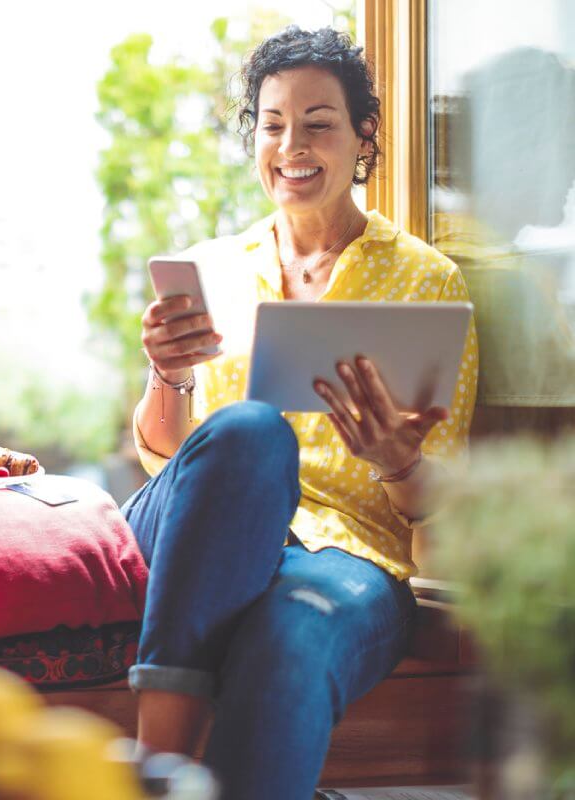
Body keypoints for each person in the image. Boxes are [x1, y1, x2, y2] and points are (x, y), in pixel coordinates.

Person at [120, 25, 478, 800]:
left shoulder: (427, 282)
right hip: (202, 535)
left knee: (293, 639)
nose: (292, 145)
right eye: (274, 124)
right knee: (249, 431)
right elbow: (161, 457)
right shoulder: (212, 267)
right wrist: (167, 374)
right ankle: (159, 767)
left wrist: (399, 461)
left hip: (347, 561)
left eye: (319, 122)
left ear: (362, 137)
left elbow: (440, 506)